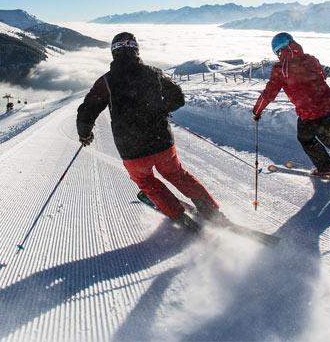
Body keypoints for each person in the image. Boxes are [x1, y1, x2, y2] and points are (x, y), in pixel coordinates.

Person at [76, 32, 225, 232]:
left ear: (114, 53)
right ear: (136, 49)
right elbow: (178, 98)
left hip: (131, 150)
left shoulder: (106, 82)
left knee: (146, 181)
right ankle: (214, 214)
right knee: (177, 175)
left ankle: (179, 217)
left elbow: (86, 112)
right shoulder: (154, 73)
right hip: (162, 142)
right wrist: (162, 109)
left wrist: (85, 134)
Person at [252, 32, 330, 178]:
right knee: (325, 134)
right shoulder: (310, 58)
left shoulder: (281, 68)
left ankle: (326, 168)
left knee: (306, 139)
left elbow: (269, 93)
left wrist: (257, 111)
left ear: (277, 50)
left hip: (310, 112)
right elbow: (323, 76)